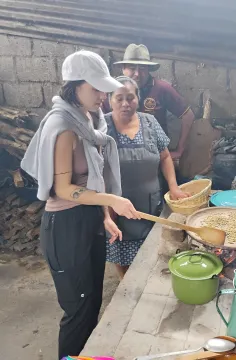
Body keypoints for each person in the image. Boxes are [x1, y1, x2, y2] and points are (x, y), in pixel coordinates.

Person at [20, 51, 140, 359]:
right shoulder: (64, 127)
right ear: (75, 86)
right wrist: (112, 200)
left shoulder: (90, 117)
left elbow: (93, 176)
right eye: (96, 88)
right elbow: (63, 189)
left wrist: (104, 217)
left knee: (92, 302)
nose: (103, 95)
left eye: (104, 88)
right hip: (65, 227)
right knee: (77, 310)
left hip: (88, 218)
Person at [105, 76, 189, 279]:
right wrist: (106, 210)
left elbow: (165, 156)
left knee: (153, 249)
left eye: (130, 97)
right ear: (109, 100)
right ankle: (126, 285)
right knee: (122, 253)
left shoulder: (150, 122)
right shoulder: (102, 127)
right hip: (117, 206)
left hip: (151, 203)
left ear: (138, 99)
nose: (125, 103)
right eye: (119, 98)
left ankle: (148, 281)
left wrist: (174, 187)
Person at [102, 44, 195, 161]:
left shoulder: (161, 89)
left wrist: (179, 150)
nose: (137, 74)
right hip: (120, 157)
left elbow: (188, 115)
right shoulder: (111, 91)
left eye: (142, 68)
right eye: (132, 68)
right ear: (123, 68)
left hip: (155, 157)